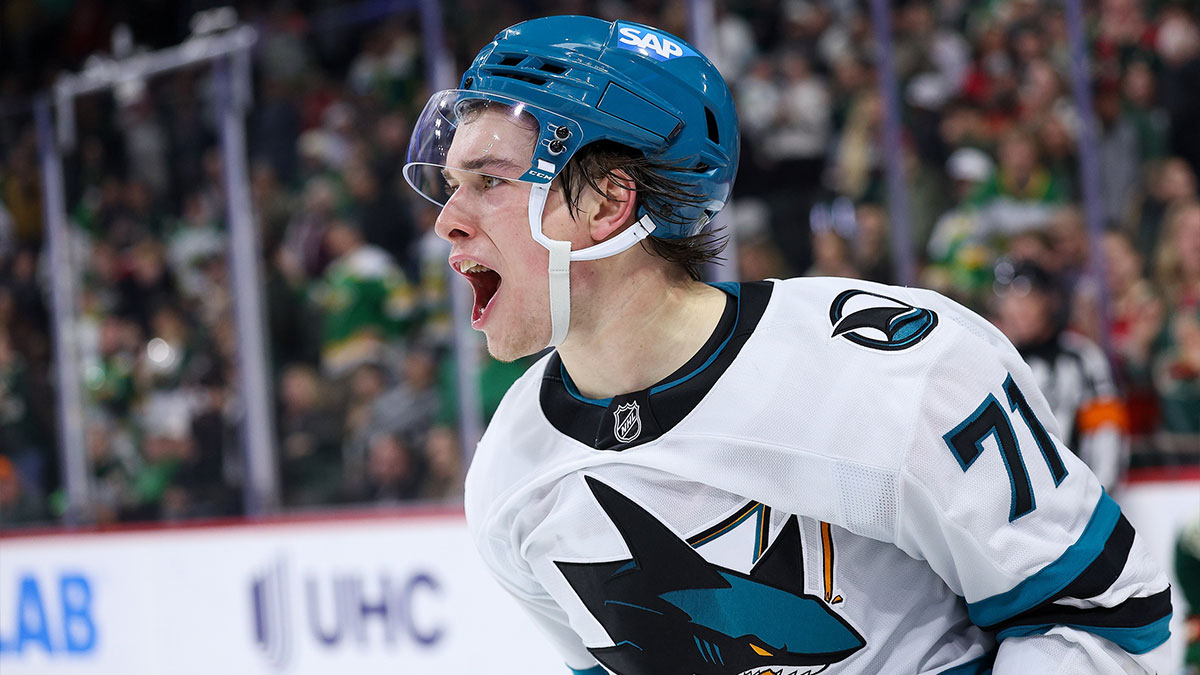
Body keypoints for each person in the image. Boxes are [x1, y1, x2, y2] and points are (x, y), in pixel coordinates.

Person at [402, 16, 1171, 674]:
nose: (447, 220)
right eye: (453, 182)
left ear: (609, 203)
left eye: (490, 180)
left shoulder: (893, 371)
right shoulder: (510, 474)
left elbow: (1103, 619)